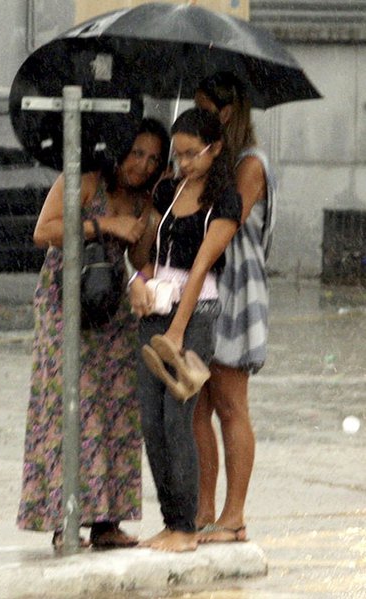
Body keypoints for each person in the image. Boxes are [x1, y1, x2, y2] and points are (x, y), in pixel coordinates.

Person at [18, 118, 169, 548]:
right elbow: (44, 232)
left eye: (153, 159)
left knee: (116, 410)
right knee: (70, 406)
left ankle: (107, 521)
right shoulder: (84, 182)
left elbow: (139, 259)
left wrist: (150, 223)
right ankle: (64, 518)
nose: (142, 165)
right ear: (120, 148)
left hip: (112, 310)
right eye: (138, 153)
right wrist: (103, 226)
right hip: (65, 303)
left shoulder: (142, 200)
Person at [128, 108, 241, 552]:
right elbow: (146, 247)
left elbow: (198, 271)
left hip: (195, 314)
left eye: (193, 154)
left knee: (178, 418)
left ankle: (188, 528)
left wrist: (177, 331)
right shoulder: (168, 190)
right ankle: (171, 519)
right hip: (155, 305)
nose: (185, 164)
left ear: (214, 150)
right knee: (151, 420)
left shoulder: (225, 200)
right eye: (178, 155)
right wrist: (138, 280)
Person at [191, 72, 275, 544]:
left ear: (226, 112)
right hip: (205, 281)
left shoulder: (250, 163)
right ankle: (205, 509)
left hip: (237, 285)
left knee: (229, 401)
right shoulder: (214, 157)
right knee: (198, 403)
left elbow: (226, 216)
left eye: (207, 108)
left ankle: (234, 514)